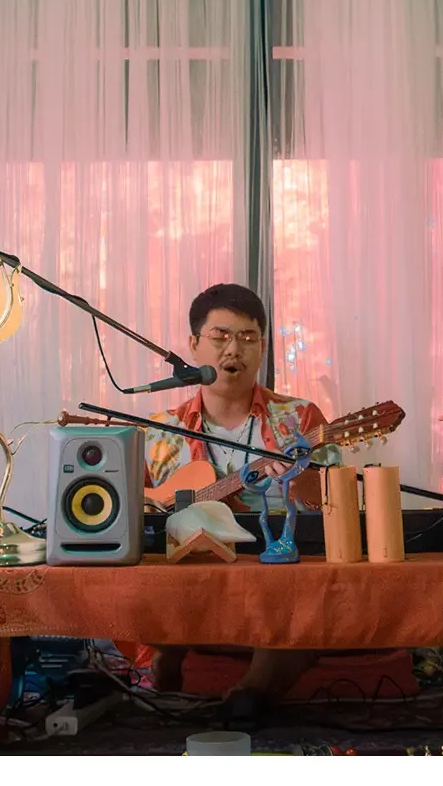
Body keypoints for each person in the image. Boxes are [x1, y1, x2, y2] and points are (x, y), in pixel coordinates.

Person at [136, 283, 327, 727]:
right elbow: (136, 517)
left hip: (274, 576)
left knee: (301, 604)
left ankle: (248, 695)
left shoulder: (299, 419)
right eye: (220, 336)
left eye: (248, 337)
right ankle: (167, 651)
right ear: (193, 345)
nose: (233, 350)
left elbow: (331, 508)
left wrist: (298, 481)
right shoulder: (159, 431)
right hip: (187, 581)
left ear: (262, 346)